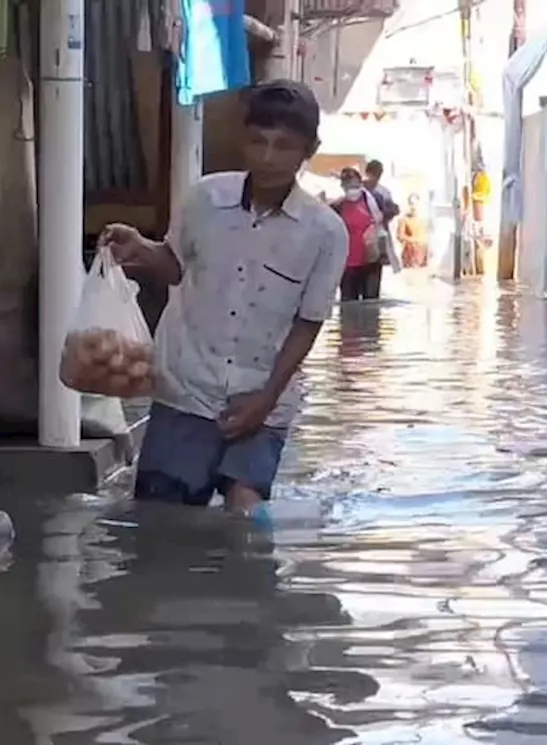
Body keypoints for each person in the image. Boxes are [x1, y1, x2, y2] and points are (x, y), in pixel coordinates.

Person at [98, 80, 348, 523]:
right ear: (242, 137)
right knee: (160, 528)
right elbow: (175, 266)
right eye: (258, 141)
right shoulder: (204, 199)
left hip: (264, 397)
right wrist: (140, 250)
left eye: (283, 146)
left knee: (245, 521)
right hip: (185, 389)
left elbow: (308, 324)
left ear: (309, 149)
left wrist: (266, 400)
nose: (268, 158)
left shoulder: (325, 232)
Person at [331, 167, 384, 301]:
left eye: (355, 185)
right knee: (348, 305)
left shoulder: (372, 201)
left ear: (360, 184)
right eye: (348, 185)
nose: (352, 189)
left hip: (371, 262)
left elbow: (390, 212)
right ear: (342, 186)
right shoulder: (337, 206)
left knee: (371, 305)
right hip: (348, 265)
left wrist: (375, 227)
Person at [396, 193, 429, 268]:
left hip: (423, 254)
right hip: (410, 255)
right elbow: (400, 236)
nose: (414, 206)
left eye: (416, 204)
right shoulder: (404, 219)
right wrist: (414, 240)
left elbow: (430, 235)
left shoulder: (425, 220)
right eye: (411, 204)